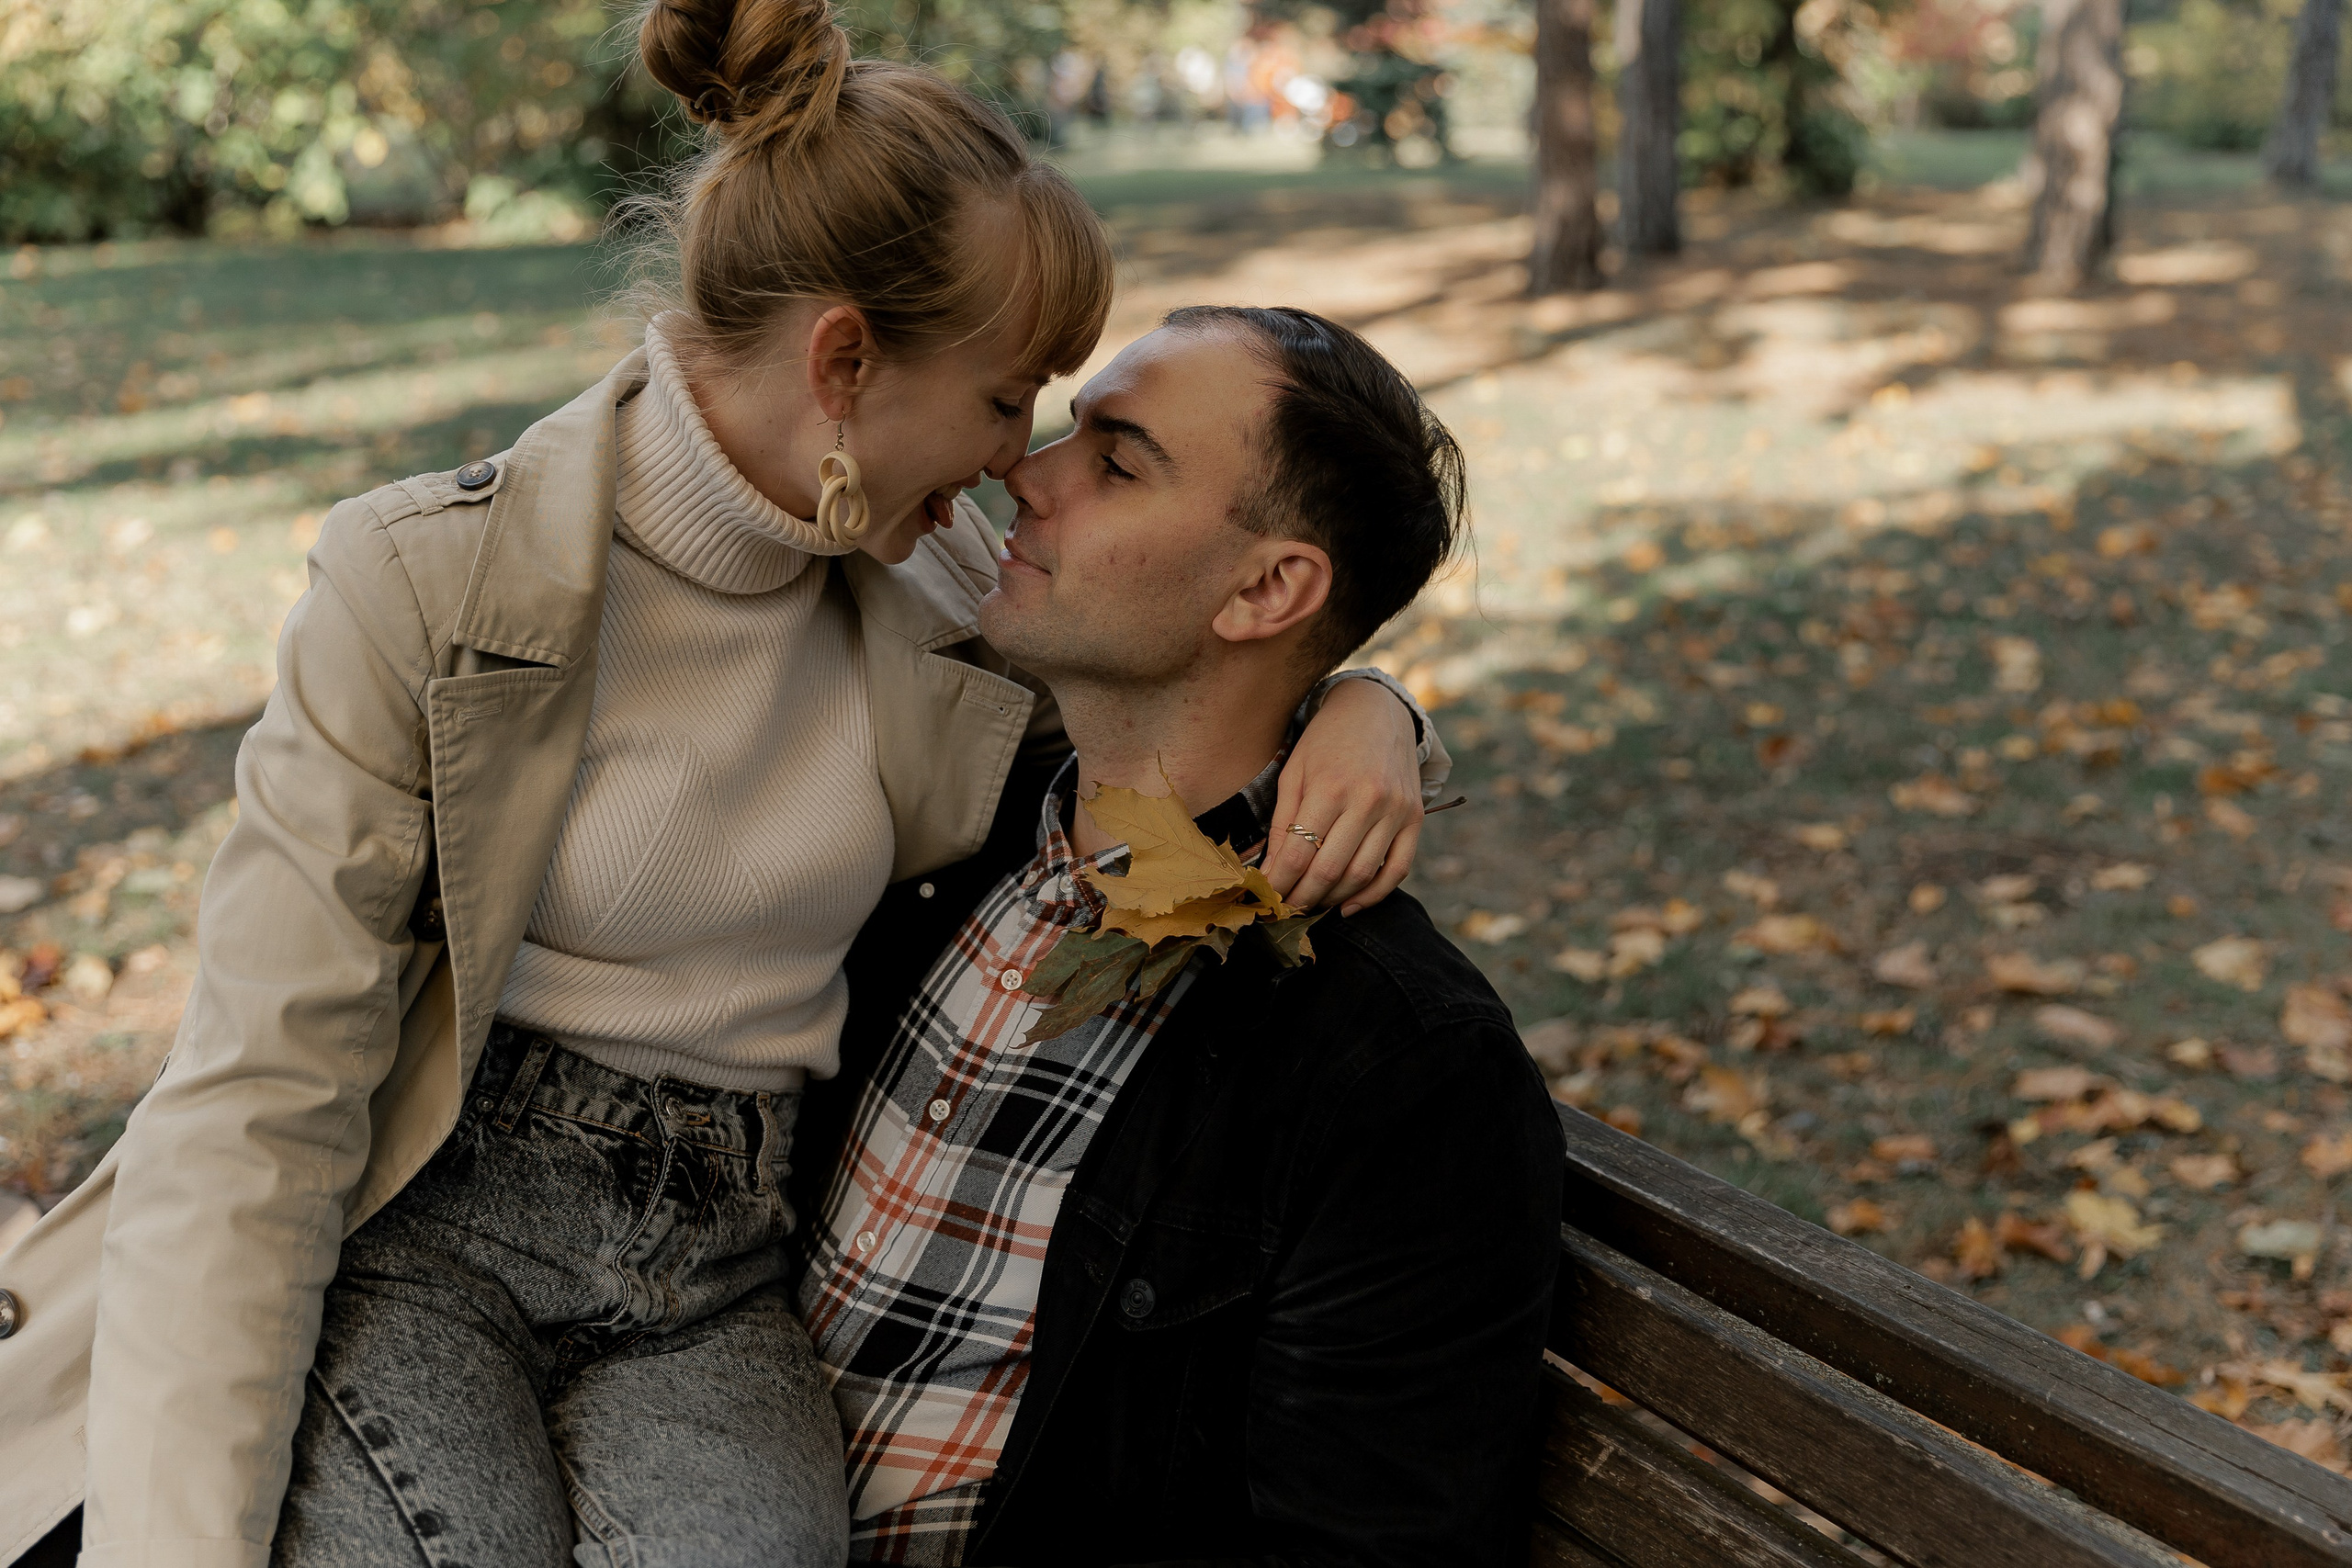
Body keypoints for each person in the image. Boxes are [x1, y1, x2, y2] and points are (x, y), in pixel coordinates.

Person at [0, 5, 1446, 1562]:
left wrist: (1373, 705)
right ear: (843, 365)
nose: (1019, 463)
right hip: (432, 1228)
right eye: (1002, 398)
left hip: (714, 1268)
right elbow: (255, 1102)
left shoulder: (945, 584)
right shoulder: (425, 584)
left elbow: (1205, 679)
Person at [791, 306, 1564, 1565]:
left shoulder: (1402, 1076)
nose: (1022, 474)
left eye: (1116, 461)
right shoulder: (950, 842)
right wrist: (1377, 699)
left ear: (1268, 589)